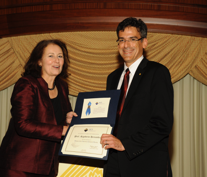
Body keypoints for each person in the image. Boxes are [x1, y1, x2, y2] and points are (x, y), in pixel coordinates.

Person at [101, 17, 174, 177]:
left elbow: (162, 124)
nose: (126, 45)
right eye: (121, 40)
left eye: (132, 39)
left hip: (145, 164)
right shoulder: (112, 77)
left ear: (144, 42)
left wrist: (125, 145)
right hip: (112, 163)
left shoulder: (157, 73)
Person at [0, 39, 77, 177]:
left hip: (48, 166)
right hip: (21, 165)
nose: (57, 60)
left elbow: (56, 119)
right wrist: (63, 129)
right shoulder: (27, 84)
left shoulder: (62, 86)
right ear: (39, 61)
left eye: (60, 56)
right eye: (51, 56)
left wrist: (67, 119)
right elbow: (23, 125)